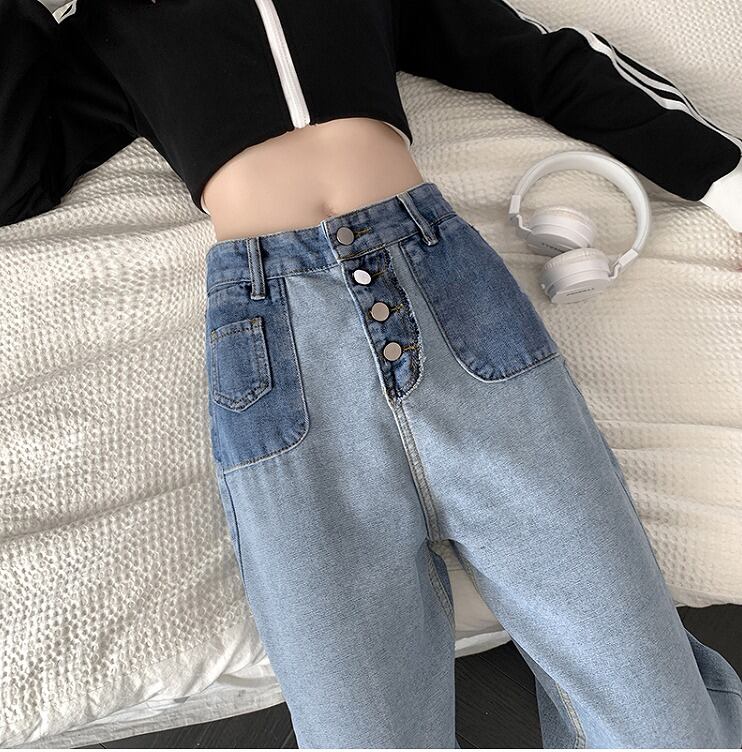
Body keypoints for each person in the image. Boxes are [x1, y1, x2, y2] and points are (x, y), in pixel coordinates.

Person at [3, 0, 741, 747]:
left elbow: (536, 59)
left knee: (665, 724)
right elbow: (17, 174)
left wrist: (721, 173)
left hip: (446, 299)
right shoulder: (107, 22)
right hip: (278, 354)